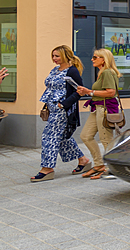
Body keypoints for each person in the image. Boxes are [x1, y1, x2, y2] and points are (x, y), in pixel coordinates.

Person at [31, 46, 91, 182]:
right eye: (53, 56)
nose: (54, 59)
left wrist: (63, 104)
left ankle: (47, 168)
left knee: (49, 136)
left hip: (62, 110)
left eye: (57, 56)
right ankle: (84, 160)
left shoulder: (72, 71)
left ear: (65, 55)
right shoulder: (55, 70)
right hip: (52, 108)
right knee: (64, 137)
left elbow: (79, 91)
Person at [75, 48, 122, 180]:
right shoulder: (102, 72)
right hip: (97, 108)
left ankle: (111, 168)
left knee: (106, 140)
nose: (92, 59)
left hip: (105, 108)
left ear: (104, 59)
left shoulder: (107, 72)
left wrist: (89, 92)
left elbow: (111, 92)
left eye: (95, 57)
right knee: (86, 136)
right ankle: (99, 165)